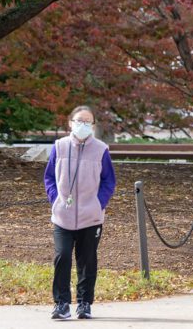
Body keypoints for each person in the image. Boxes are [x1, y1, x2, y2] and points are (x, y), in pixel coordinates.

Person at [44, 105, 117, 321]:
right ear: (70, 123)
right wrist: (55, 198)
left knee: (87, 261)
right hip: (62, 216)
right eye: (79, 121)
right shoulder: (59, 146)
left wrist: (98, 203)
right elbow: (49, 177)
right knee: (62, 256)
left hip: (90, 217)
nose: (83, 125)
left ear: (93, 126)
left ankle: (85, 303)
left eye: (88, 122)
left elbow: (109, 181)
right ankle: (61, 303)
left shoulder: (101, 149)